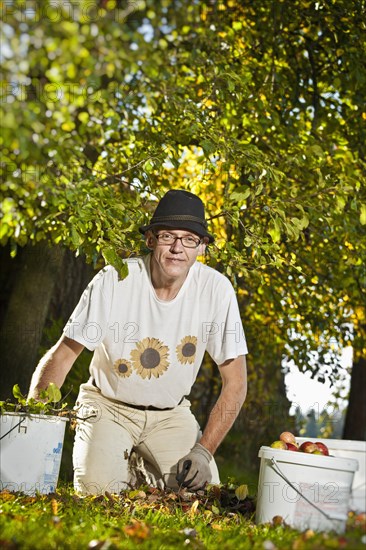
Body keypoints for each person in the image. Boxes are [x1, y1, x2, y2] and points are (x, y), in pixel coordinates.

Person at [28, 189, 248, 495]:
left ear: (202, 247)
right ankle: (120, 466)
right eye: (168, 236)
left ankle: (143, 470)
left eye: (189, 239)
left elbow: (236, 383)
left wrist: (203, 451)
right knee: (98, 495)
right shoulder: (114, 279)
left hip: (171, 415)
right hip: (107, 406)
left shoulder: (217, 291)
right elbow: (64, 355)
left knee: (201, 498)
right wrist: (36, 423)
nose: (177, 248)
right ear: (151, 240)